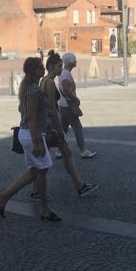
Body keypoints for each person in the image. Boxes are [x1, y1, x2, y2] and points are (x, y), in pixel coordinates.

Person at [0, 56, 60, 222]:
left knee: (35, 171)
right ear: (32, 71)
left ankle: (3, 197)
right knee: (42, 171)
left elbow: (23, 110)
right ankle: (44, 210)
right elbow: (32, 119)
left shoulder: (28, 88)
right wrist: (37, 142)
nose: (43, 70)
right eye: (39, 68)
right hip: (32, 134)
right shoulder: (34, 91)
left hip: (28, 133)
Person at [39, 52, 98, 198]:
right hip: (51, 126)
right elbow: (52, 109)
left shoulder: (44, 80)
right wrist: (58, 129)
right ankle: (80, 184)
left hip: (46, 125)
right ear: (52, 67)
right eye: (59, 66)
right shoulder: (51, 82)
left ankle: (79, 186)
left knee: (46, 161)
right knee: (42, 164)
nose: (61, 69)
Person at [57, 52, 97, 159]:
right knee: (77, 127)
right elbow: (66, 89)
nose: (76, 61)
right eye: (75, 60)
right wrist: (75, 98)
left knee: (64, 128)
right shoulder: (66, 74)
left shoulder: (64, 73)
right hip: (68, 105)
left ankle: (60, 150)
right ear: (70, 62)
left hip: (62, 105)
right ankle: (83, 150)